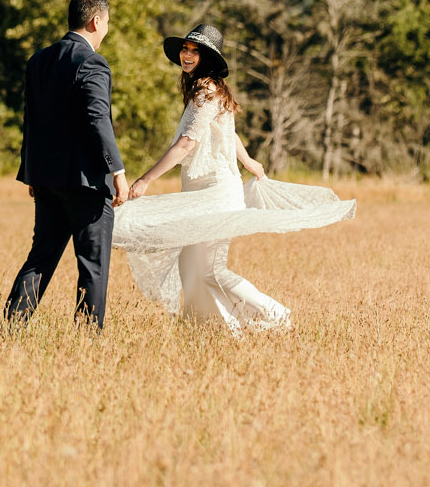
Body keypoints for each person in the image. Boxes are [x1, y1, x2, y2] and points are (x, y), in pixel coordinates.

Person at [114, 24, 355, 332]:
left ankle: (275, 314)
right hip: (202, 191)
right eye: (185, 49)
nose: (186, 55)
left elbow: (187, 143)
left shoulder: (206, 93)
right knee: (191, 267)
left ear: (208, 57)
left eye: (194, 50)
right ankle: (211, 330)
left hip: (215, 194)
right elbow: (228, 133)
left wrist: (145, 180)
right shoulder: (205, 91)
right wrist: (249, 160)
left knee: (209, 271)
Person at [4, 0, 129, 329]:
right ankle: (88, 338)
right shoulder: (92, 62)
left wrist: (31, 172)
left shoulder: (39, 60)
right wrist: (117, 170)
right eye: (107, 24)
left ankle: (13, 326)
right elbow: (97, 118)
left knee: (41, 257)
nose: (106, 31)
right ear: (96, 20)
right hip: (86, 183)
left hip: (45, 178)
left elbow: (31, 119)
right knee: (93, 263)